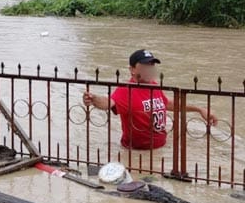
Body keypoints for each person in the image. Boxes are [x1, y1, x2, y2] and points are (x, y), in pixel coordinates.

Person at [83, 49, 217, 150]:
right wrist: (93, 99)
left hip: (160, 148)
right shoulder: (126, 90)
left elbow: (168, 103)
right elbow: (108, 102)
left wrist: (199, 109)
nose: (149, 69)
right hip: (136, 152)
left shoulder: (154, 86)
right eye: (145, 66)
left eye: (151, 65)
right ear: (132, 69)